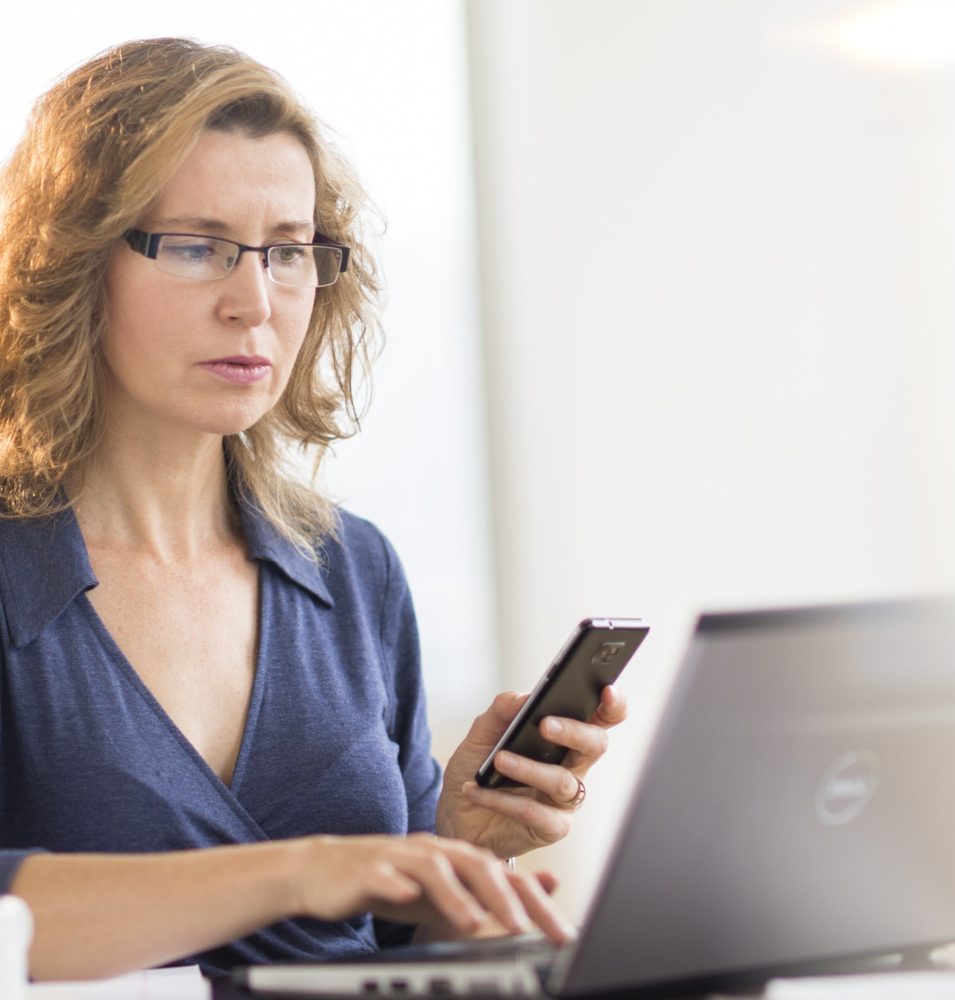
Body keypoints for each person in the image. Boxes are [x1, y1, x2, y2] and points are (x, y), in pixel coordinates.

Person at [0, 38, 627, 981]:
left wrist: (459, 847)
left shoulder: (352, 569)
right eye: (199, 247)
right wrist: (301, 871)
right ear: (74, 263)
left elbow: (382, 947)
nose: (254, 302)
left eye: (287, 251)